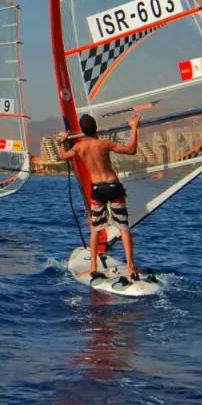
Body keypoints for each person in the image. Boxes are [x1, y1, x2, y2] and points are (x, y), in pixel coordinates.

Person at [57, 109, 145, 283]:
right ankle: (130, 267)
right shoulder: (104, 144)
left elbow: (63, 155)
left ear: (82, 131)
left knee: (96, 229)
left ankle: (93, 268)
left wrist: (62, 141)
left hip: (97, 189)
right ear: (96, 128)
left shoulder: (79, 147)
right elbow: (131, 150)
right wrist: (134, 127)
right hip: (113, 186)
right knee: (123, 228)